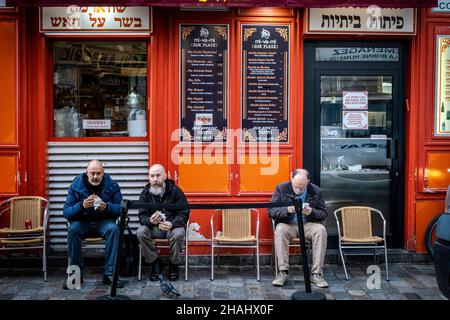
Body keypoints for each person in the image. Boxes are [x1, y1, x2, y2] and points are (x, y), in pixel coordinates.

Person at [63, 159, 124, 288]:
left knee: (114, 229)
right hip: (82, 222)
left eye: (98, 173)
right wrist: (81, 206)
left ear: (103, 173)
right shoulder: (76, 185)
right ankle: (75, 275)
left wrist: (106, 207)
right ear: (87, 173)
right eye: (92, 173)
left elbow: (120, 209)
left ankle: (109, 274)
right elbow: (67, 212)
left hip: (103, 222)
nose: (95, 177)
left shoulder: (112, 185)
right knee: (72, 230)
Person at [269, 168, 329, 288]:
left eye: (303, 187)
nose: (299, 190)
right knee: (280, 229)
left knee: (321, 230)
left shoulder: (315, 190)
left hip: (308, 224)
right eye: (296, 186)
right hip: (288, 224)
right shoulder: (281, 188)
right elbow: (271, 211)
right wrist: (287, 210)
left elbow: (323, 213)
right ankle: (283, 272)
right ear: (291, 178)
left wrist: (311, 212)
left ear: (308, 181)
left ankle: (316, 273)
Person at [137, 164, 190, 281]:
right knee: (141, 232)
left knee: (179, 233)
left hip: (172, 228)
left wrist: (172, 224)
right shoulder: (145, 193)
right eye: (152, 176)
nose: (155, 179)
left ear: (165, 176)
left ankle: (173, 265)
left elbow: (184, 212)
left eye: (158, 175)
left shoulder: (175, 191)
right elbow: (142, 216)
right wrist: (150, 221)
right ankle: (155, 263)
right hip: (155, 228)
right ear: (149, 178)